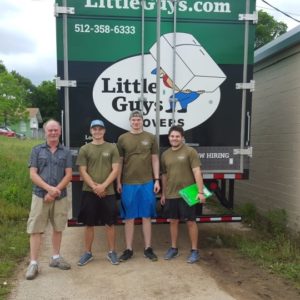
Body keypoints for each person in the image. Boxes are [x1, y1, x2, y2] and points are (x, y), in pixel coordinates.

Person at [26, 119, 72, 280]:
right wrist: (48, 189)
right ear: (45, 131)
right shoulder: (36, 150)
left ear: (60, 131)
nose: (53, 132)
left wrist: (54, 191)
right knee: (36, 229)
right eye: (50, 130)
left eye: (56, 130)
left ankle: (55, 258)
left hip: (59, 196)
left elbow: (68, 175)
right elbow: (33, 174)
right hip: (40, 195)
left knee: (58, 228)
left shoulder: (66, 152)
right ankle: (33, 263)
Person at [117, 110, 160, 262]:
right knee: (129, 217)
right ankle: (128, 249)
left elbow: (155, 159)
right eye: (133, 120)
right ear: (130, 121)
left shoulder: (150, 137)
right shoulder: (122, 138)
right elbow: (119, 162)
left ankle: (148, 248)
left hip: (147, 182)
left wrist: (157, 179)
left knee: (146, 216)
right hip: (128, 183)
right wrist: (118, 181)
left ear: (143, 121)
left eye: (138, 119)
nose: (136, 122)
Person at [76, 120, 120, 265]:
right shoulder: (84, 149)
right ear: (91, 131)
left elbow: (115, 170)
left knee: (110, 223)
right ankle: (88, 253)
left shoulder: (112, 148)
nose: (97, 131)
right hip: (90, 191)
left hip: (108, 192)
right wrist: (96, 187)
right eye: (94, 129)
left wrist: (104, 186)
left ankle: (112, 252)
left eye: (100, 129)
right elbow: (82, 171)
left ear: (104, 131)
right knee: (89, 224)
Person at [160, 125, 206, 263]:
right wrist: (163, 193)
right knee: (173, 221)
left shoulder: (190, 151)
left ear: (182, 138)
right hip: (171, 193)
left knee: (191, 222)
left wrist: (200, 192)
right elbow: (164, 175)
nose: (174, 139)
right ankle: (173, 248)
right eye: (172, 136)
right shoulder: (165, 154)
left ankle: (194, 251)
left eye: (177, 136)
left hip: (188, 192)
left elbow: (197, 172)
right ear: (169, 138)